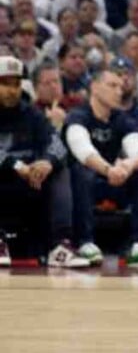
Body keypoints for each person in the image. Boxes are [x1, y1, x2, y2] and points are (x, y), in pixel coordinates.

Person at [64, 68, 138, 268]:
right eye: (112, 86)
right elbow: (83, 151)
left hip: (113, 181)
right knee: (83, 170)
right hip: (81, 186)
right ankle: (85, 242)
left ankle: (137, 245)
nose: (119, 92)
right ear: (95, 87)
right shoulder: (78, 116)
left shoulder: (122, 119)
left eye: (121, 87)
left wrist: (127, 165)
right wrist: (109, 170)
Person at [0, 56, 89, 268]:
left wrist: (48, 162)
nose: (12, 90)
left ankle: (61, 245)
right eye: (5, 84)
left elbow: (57, 145)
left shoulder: (31, 113)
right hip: (4, 180)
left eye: (16, 84)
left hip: (29, 183)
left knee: (62, 169)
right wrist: (17, 165)